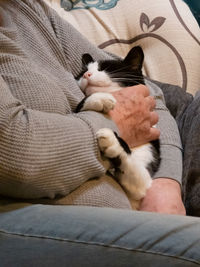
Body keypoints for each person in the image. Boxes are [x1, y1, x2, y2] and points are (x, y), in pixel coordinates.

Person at [1, 1, 200, 266]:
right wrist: (115, 127)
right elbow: (16, 153)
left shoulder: (25, 8)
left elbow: (147, 93)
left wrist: (164, 185)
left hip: (143, 186)